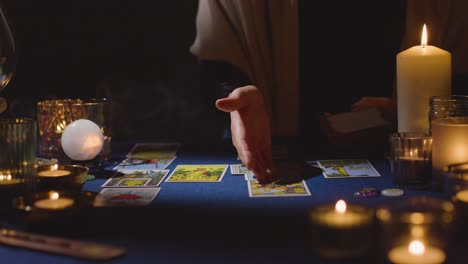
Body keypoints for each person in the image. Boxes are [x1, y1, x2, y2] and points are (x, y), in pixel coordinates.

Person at [190, 0, 468, 183]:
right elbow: (217, 61)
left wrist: (408, 118)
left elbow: (460, 83)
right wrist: (236, 93)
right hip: (278, 153)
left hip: (403, 166)